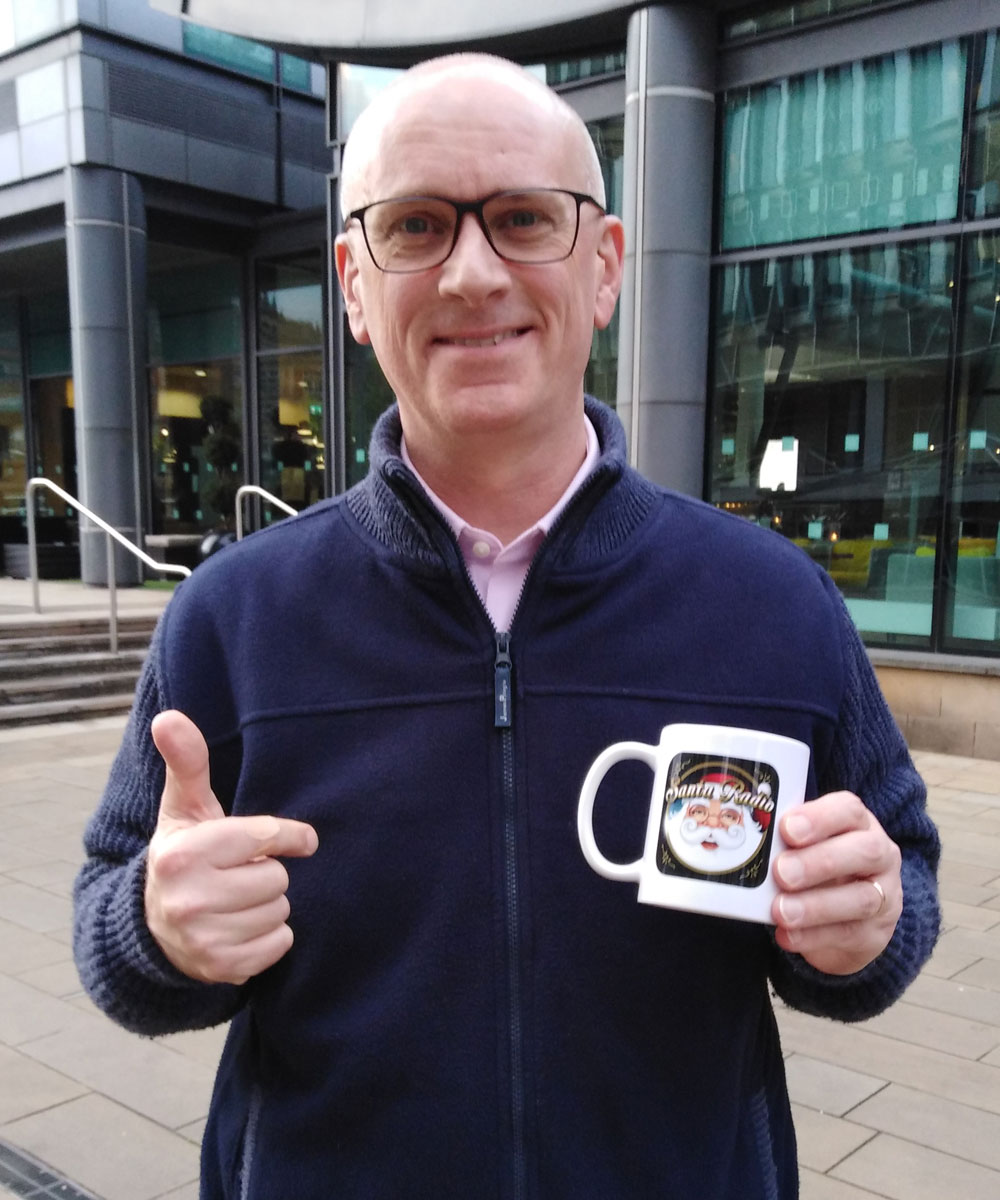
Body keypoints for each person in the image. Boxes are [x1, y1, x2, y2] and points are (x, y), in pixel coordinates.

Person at [73, 53, 940, 1200]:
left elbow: (898, 883)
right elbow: (112, 912)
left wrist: (863, 924)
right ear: (352, 284)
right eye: (418, 225)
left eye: (524, 218)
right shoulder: (234, 614)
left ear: (605, 265)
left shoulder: (773, 602)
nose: (474, 273)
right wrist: (156, 929)